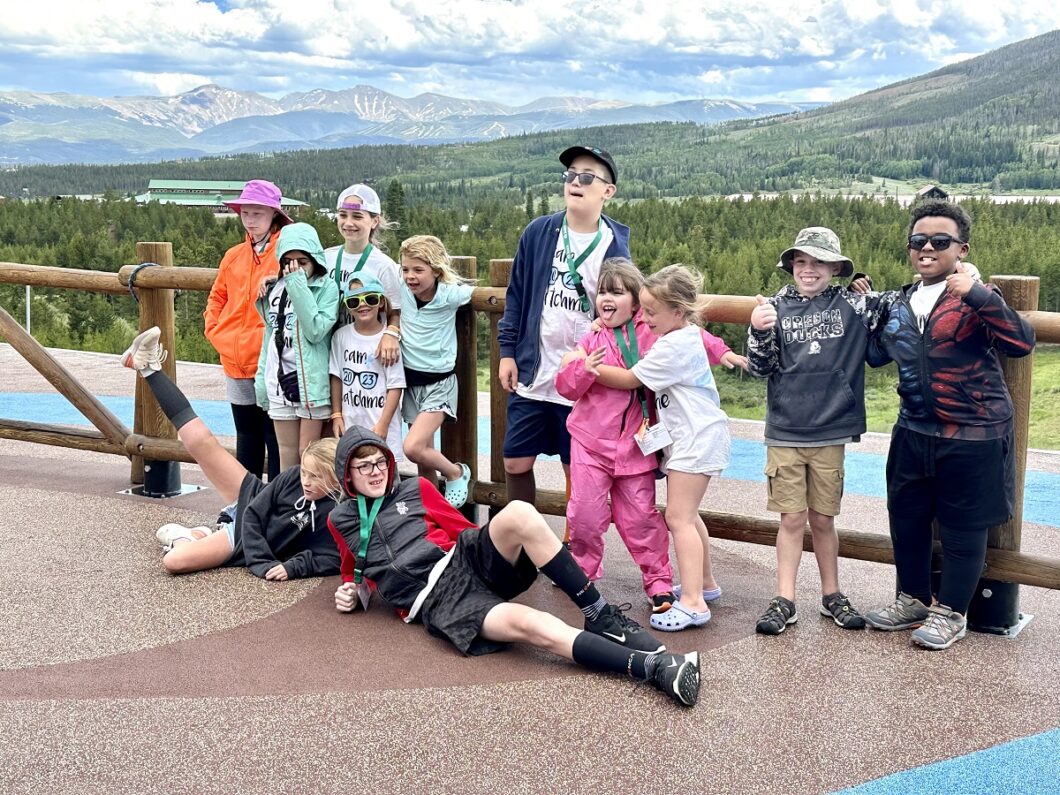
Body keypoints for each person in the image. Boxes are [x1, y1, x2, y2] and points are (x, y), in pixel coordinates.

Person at [326, 425, 701, 707]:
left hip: (464, 559)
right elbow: (355, 570)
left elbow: (466, 531)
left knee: (519, 512)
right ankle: (655, 669)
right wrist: (352, 594)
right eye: (364, 466)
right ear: (348, 474)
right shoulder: (340, 520)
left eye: (380, 462)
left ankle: (599, 613)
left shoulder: (416, 489)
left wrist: (500, 551)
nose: (375, 472)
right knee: (529, 625)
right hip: (439, 601)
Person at [861, 200, 1035, 650]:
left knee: (963, 526)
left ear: (962, 248)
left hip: (974, 432)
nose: (927, 248)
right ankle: (914, 598)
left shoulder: (979, 296)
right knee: (907, 517)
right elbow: (876, 355)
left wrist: (976, 293)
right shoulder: (899, 301)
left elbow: (1021, 342)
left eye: (940, 241)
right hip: (913, 429)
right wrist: (867, 311)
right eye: (919, 240)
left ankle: (951, 611)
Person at [556, 258, 745, 614]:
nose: (607, 299)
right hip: (590, 442)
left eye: (617, 292)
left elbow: (696, 335)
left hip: (636, 447)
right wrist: (582, 367)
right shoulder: (590, 339)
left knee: (642, 518)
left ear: (637, 303)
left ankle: (659, 582)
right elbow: (565, 385)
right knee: (584, 513)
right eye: (602, 292)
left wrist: (723, 352)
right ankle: (581, 574)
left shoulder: (654, 329)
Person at [746, 227, 887, 636]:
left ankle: (832, 595)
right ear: (791, 265)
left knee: (823, 519)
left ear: (836, 268)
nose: (809, 270)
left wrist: (968, 276)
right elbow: (759, 368)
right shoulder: (772, 306)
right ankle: (784, 599)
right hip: (785, 431)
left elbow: (905, 301)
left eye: (819, 262)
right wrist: (757, 330)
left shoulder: (855, 303)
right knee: (791, 519)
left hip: (830, 431)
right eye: (801, 262)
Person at [120, 326, 341, 579]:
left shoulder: (339, 512)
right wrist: (262, 560)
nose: (306, 481)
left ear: (336, 480)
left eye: (315, 477)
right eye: (305, 472)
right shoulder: (294, 478)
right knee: (202, 441)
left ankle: (187, 537)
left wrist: (278, 565)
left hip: (244, 537)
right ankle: (148, 368)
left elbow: (329, 558)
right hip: (255, 507)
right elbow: (259, 507)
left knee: (175, 561)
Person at [497, 145, 630, 519]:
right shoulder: (539, 232)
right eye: (570, 175)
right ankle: (520, 545)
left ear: (608, 190)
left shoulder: (615, 246)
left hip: (584, 378)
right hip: (534, 372)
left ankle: (573, 553)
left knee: (578, 471)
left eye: (587, 177)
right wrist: (508, 351)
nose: (575, 182)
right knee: (515, 463)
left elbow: (622, 309)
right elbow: (517, 294)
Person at [204, 179, 290, 482]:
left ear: (273, 216)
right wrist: (214, 330)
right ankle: (246, 507)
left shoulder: (286, 252)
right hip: (234, 359)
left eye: (258, 214)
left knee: (275, 438)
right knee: (246, 436)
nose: (251, 220)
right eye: (246, 214)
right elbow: (217, 297)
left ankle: (276, 508)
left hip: (269, 361)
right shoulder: (233, 256)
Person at [255, 222, 340, 472]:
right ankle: (286, 509)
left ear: (315, 260)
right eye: (288, 262)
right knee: (286, 454)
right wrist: (262, 380)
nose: (295, 268)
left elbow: (315, 331)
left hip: (311, 383)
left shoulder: (326, 288)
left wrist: (297, 285)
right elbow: (269, 338)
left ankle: (315, 506)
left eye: (302, 262)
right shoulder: (274, 289)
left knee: (308, 453)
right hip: (280, 382)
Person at [397, 235, 474, 508]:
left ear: (436, 271)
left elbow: (477, 293)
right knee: (422, 457)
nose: (410, 277)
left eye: (418, 270)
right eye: (406, 269)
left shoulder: (450, 294)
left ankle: (456, 472)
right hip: (411, 383)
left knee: (413, 447)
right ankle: (429, 512)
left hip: (439, 383)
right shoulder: (402, 289)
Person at [323, 183, 403, 366]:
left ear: (374, 221)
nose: (348, 223)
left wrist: (391, 334)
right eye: (343, 215)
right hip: (326, 350)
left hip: (365, 354)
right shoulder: (325, 258)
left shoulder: (384, 265)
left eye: (357, 216)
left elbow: (396, 311)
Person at [329, 275, 406, 458]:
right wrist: (337, 415)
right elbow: (336, 377)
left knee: (385, 475)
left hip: (380, 426)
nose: (362, 305)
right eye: (354, 301)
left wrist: (383, 424)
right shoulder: (340, 337)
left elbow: (395, 386)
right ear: (348, 306)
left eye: (370, 299)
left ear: (380, 302)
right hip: (351, 426)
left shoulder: (389, 341)